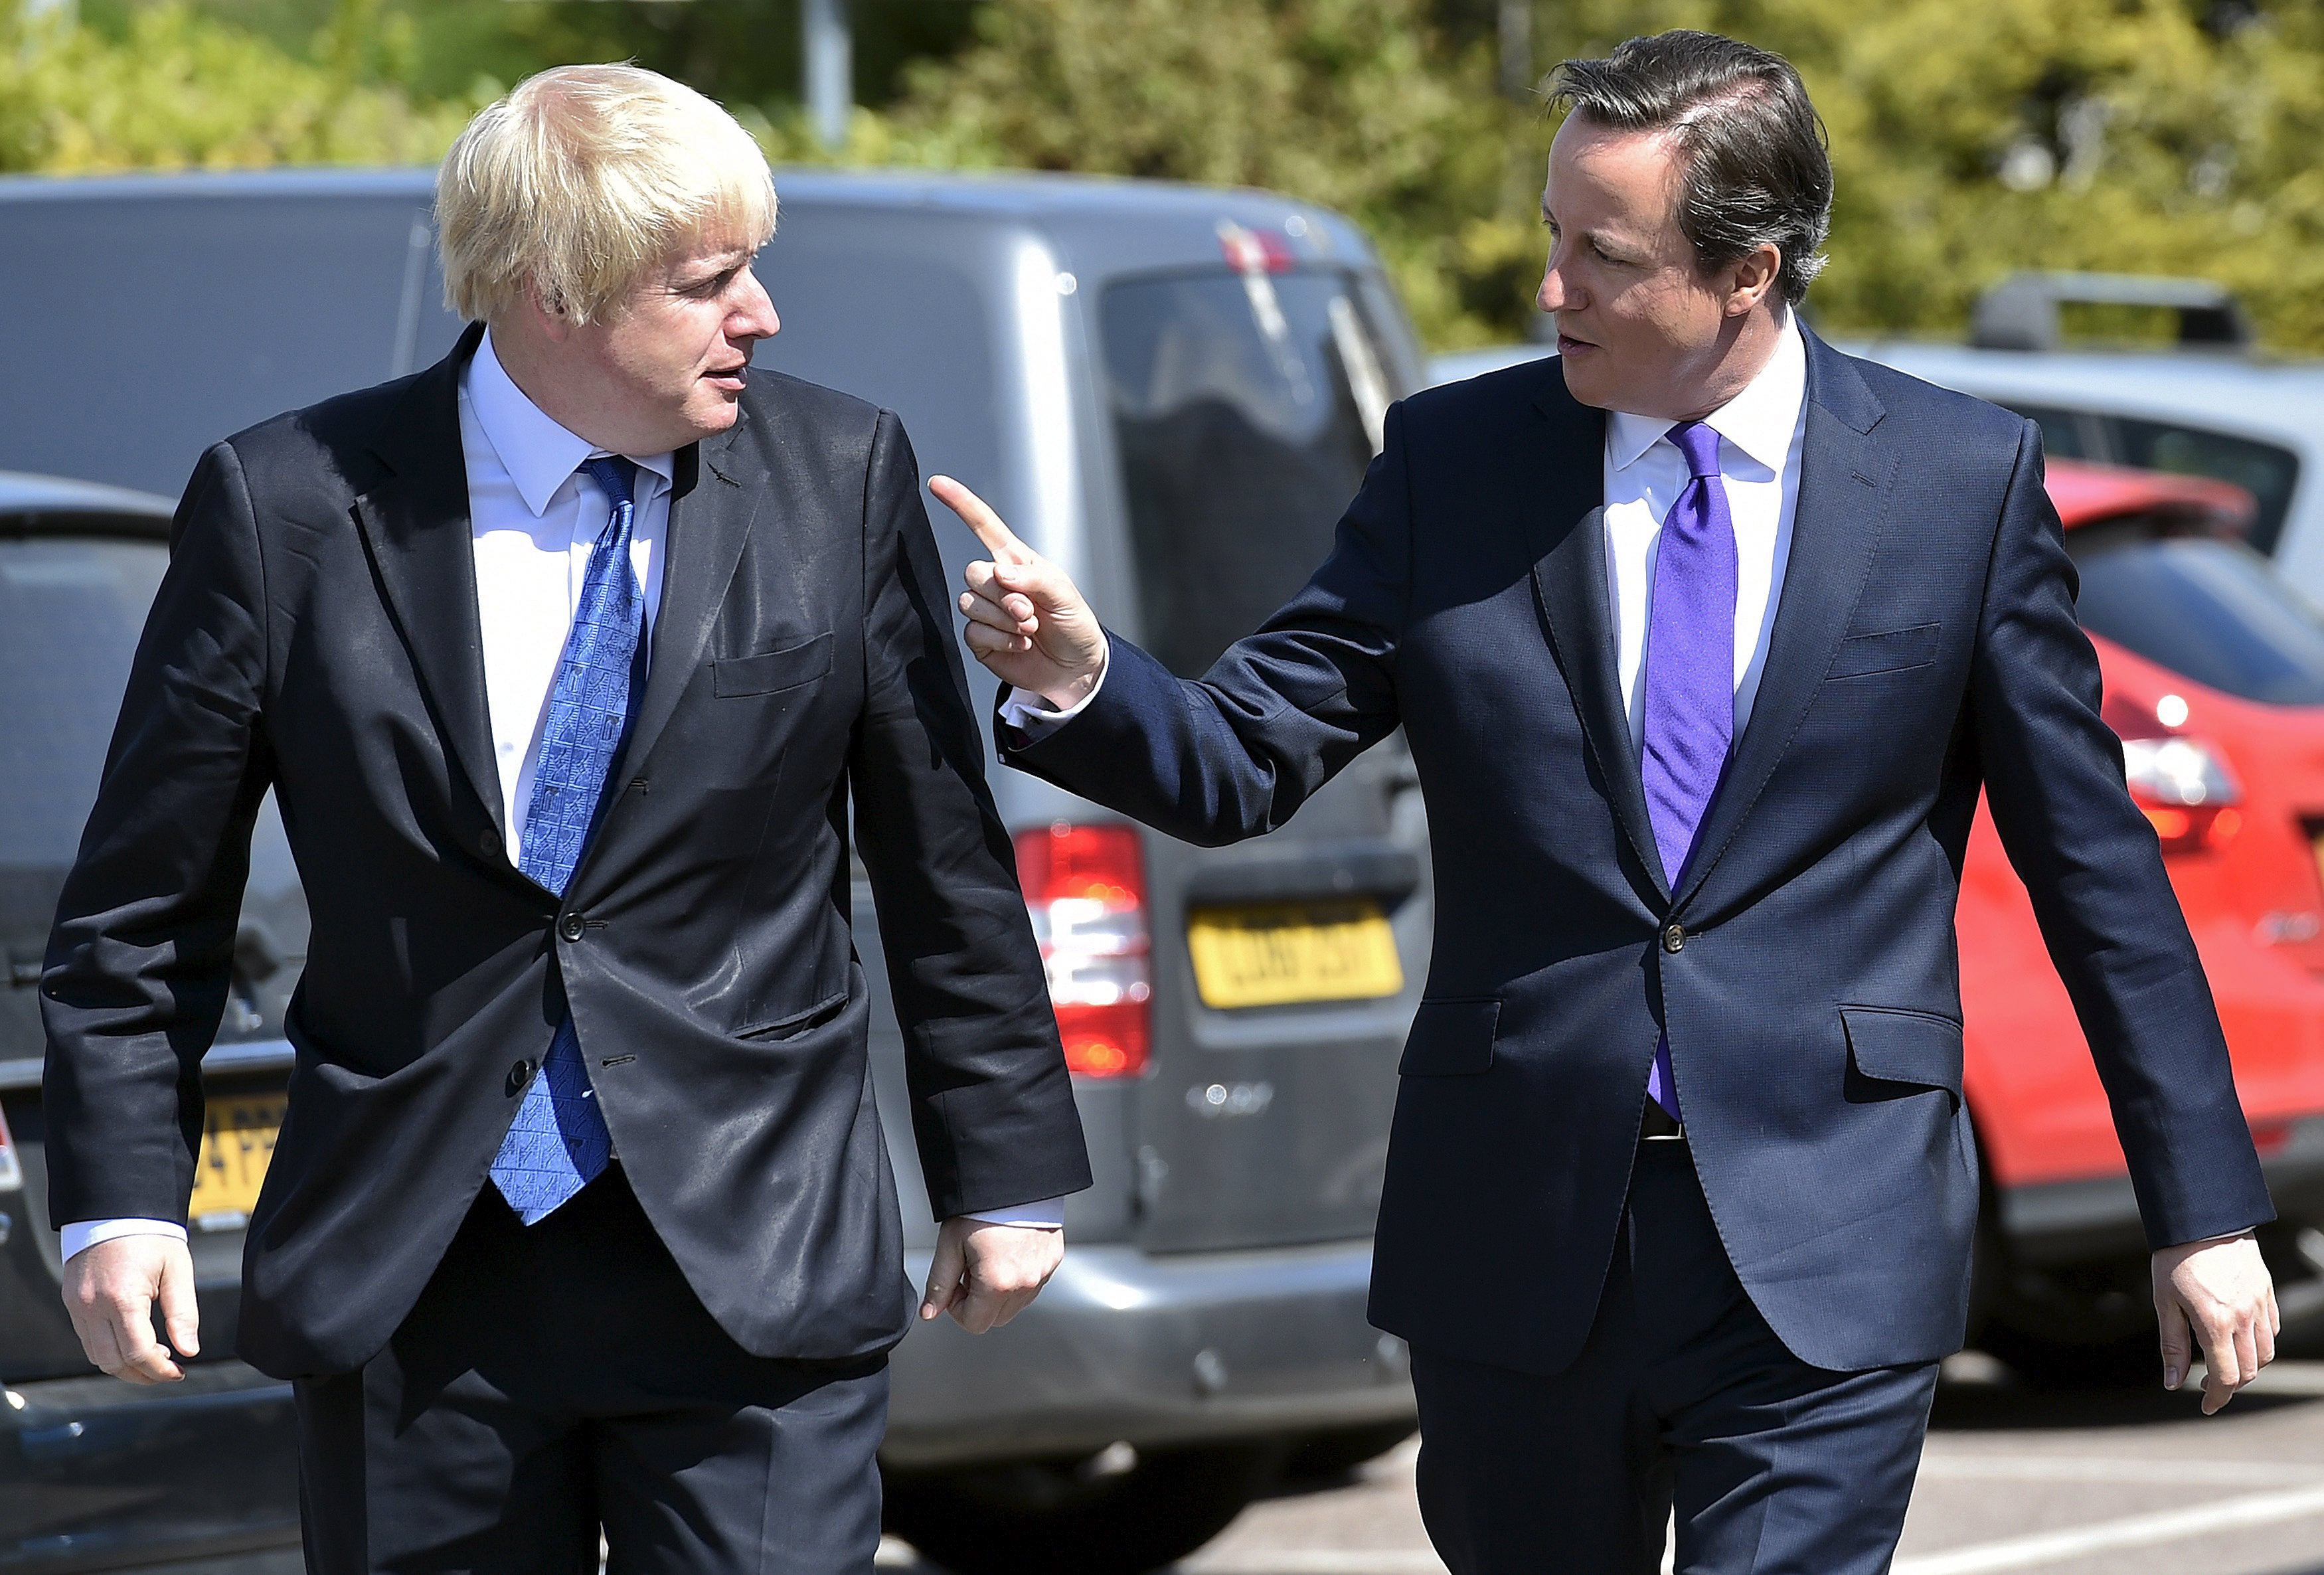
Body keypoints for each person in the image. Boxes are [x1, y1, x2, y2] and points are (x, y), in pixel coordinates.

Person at [934, 29, 2280, 1575]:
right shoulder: (1458, 462)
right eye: (1549, 236)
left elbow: (2095, 876)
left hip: (1830, 1234)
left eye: (1601, 254)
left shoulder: (1957, 486)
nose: (1550, 289)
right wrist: (1087, 674)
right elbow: (1247, 754)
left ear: (1749, 270)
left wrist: (2200, 1208)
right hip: (1517, 1231)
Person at [44, 64, 1089, 1574]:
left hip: (755, 1245)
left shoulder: (840, 473)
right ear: (555, 292)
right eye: (710, 282)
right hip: (416, 1271)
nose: (764, 317)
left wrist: (1001, 1164)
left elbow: (940, 855)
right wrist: (119, 1203)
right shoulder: (286, 505)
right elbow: (146, 899)